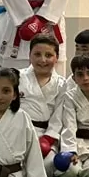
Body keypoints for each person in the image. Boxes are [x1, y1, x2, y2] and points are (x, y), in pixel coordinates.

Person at [18, 34, 72, 163]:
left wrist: (48, 138)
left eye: (48, 55)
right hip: (19, 132)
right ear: (29, 55)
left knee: (48, 164)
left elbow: (59, 116)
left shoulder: (62, 84)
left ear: (56, 58)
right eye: (37, 54)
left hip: (46, 134)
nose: (42, 60)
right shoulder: (17, 77)